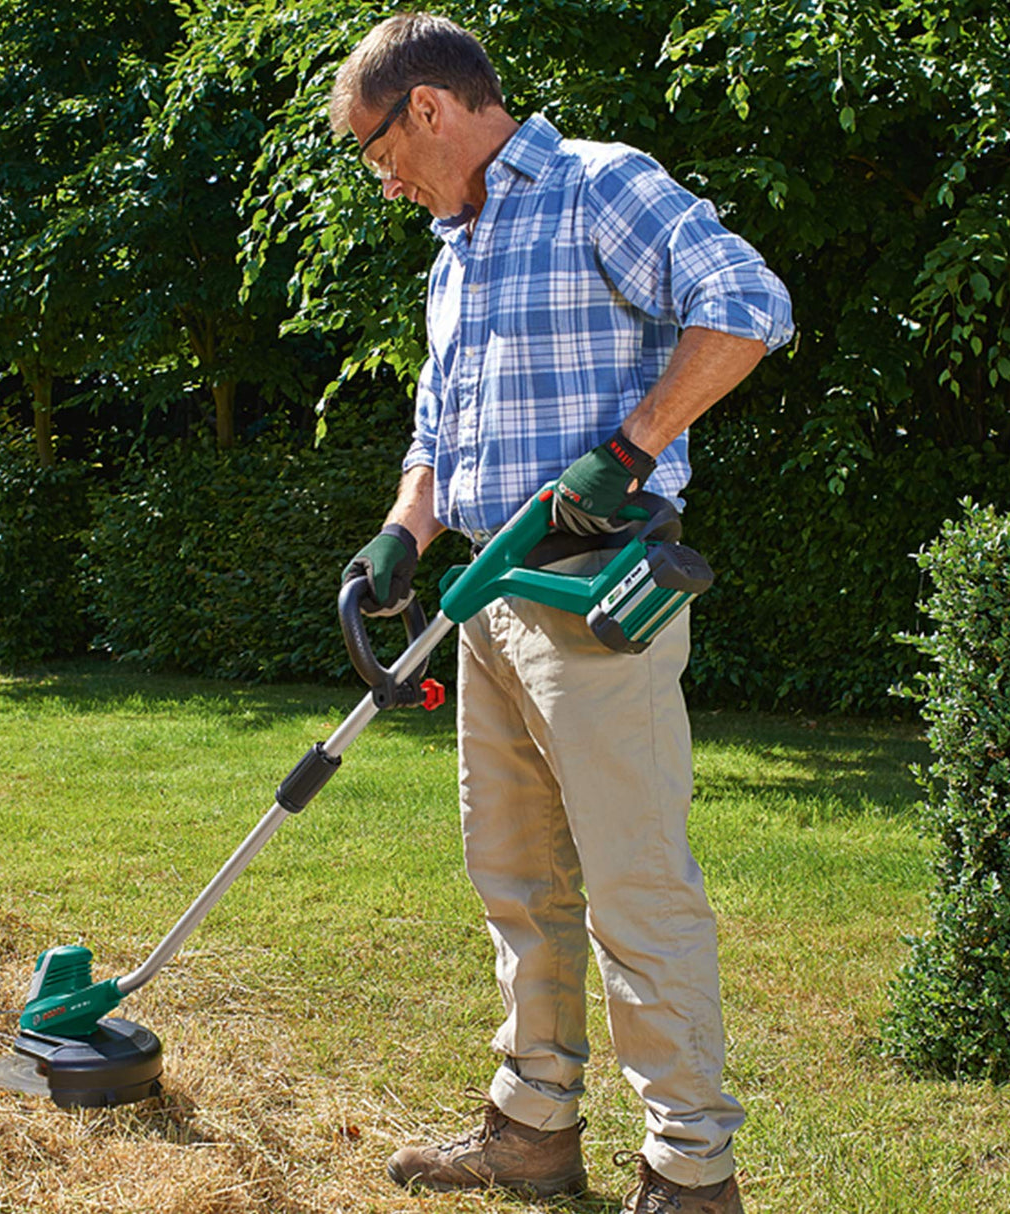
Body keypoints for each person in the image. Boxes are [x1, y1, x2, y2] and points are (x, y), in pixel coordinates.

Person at [331, 14, 792, 1214]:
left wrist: (628, 450)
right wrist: (404, 530)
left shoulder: (597, 185)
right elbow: (439, 431)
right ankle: (531, 1124)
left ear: (425, 109)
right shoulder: (455, 248)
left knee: (634, 883)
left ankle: (691, 1169)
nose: (384, 179)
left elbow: (748, 303)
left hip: (590, 588)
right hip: (486, 588)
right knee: (515, 874)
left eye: (379, 151)